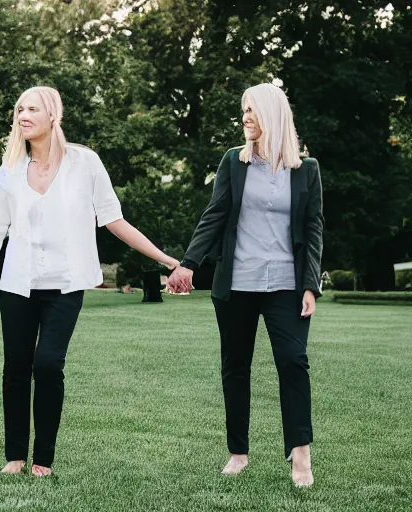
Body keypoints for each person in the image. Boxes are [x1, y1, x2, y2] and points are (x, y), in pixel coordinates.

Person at [0, 86, 180, 477]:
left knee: (47, 365)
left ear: (53, 115)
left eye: (32, 109)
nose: (23, 115)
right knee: (16, 368)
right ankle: (15, 457)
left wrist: (166, 260)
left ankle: (42, 459)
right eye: (19, 109)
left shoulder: (85, 163)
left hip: (64, 285)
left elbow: (114, 220)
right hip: (17, 284)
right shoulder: (10, 168)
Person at [169, 83, 323, 487]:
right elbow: (215, 214)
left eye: (252, 110)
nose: (245, 117)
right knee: (235, 367)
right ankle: (238, 452)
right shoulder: (233, 162)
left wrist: (310, 285)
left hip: (287, 286)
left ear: (271, 114)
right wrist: (188, 264)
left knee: (293, 363)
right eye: (244, 111)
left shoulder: (306, 170)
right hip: (235, 285)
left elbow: (313, 228)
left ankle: (300, 454)